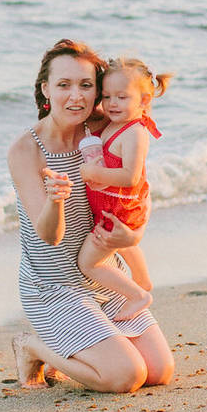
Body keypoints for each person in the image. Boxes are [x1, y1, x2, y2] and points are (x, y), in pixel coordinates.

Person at [6, 39, 176, 393]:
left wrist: (132, 237)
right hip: (53, 286)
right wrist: (55, 201)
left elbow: (132, 192)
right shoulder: (27, 150)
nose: (76, 96)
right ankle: (34, 347)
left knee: (160, 371)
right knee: (126, 376)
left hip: (103, 274)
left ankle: (93, 342)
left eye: (86, 86)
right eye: (64, 85)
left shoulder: (100, 128)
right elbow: (48, 236)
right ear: (45, 90)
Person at [76, 57, 173, 321]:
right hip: (114, 205)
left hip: (119, 208)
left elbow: (130, 176)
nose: (112, 103)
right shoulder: (115, 124)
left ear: (143, 101)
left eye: (121, 97)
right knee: (124, 246)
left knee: (89, 262)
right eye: (107, 96)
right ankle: (143, 281)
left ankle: (138, 295)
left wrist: (95, 173)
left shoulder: (135, 133)